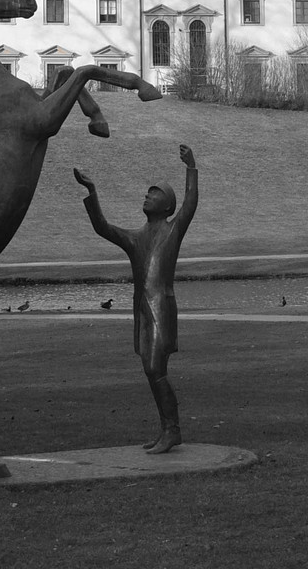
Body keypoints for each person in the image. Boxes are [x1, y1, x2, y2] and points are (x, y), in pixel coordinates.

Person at [74, 144, 199, 453]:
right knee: (150, 370)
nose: (147, 196)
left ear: (167, 206)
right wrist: (92, 191)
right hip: (143, 311)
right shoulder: (135, 238)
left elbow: (191, 204)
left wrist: (191, 168)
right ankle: (167, 430)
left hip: (162, 308)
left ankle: (173, 430)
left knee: (156, 369)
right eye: (147, 192)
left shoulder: (172, 231)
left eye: (154, 193)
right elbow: (101, 227)